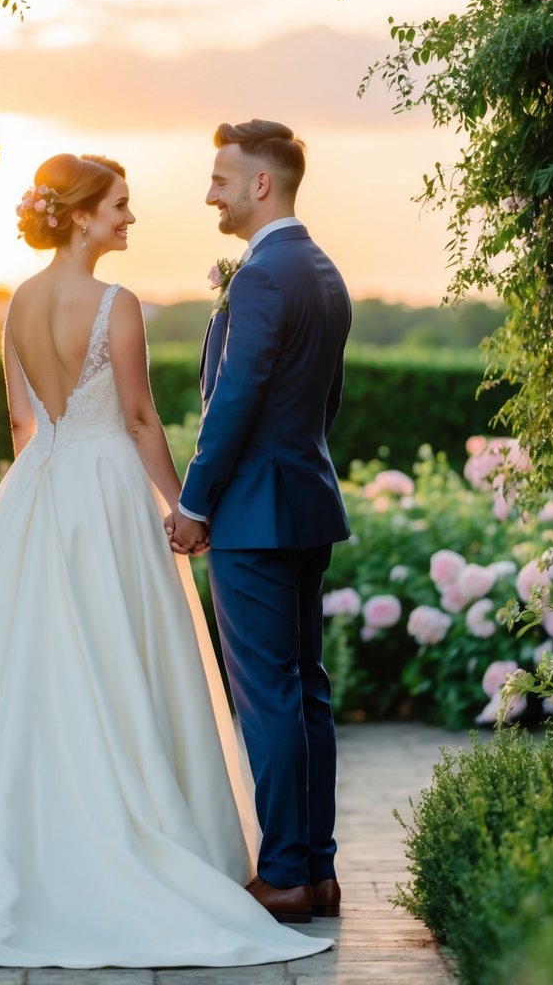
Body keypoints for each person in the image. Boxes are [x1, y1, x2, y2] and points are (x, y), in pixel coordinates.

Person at [0, 152, 332, 968]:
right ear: (79, 216)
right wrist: (182, 509)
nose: (128, 217)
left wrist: (42, 481)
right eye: (118, 205)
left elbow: (20, 426)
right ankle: (131, 827)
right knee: (119, 658)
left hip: (36, 491)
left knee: (26, 660)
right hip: (106, 491)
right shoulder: (116, 303)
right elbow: (141, 417)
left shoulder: (16, 302)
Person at [169, 120, 351, 925]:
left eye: (220, 178)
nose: (210, 192)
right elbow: (326, 403)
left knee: (268, 697)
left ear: (260, 185)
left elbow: (231, 402)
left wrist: (195, 502)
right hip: (307, 501)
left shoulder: (262, 278)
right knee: (305, 691)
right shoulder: (322, 269)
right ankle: (316, 871)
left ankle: (280, 874)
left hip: (251, 517)